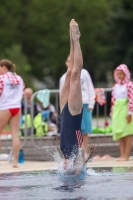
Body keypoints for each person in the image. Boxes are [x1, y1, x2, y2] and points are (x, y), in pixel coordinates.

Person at [60, 19, 94, 175]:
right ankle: (76, 39)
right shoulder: (77, 150)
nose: (65, 164)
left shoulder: (66, 154)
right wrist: (79, 166)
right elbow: (80, 169)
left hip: (63, 112)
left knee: (69, 74)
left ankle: (71, 38)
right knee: (75, 74)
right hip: (73, 114)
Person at [59, 52, 95, 161]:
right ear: (66, 62)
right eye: (70, 61)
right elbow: (62, 93)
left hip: (83, 102)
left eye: (73, 61)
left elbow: (90, 87)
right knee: (72, 131)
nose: (72, 63)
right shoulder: (63, 78)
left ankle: (83, 153)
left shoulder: (84, 73)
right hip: (69, 105)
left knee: (84, 131)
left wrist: (91, 102)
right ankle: (71, 157)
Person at [0, 59, 24, 167]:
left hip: (5, 107)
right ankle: (15, 161)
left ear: (4, 67)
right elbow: (22, 92)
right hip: (17, 107)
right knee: (15, 135)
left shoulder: (2, 78)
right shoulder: (19, 78)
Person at [111, 64, 133, 161]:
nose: (119, 75)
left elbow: (131, 99)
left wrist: (130, 113)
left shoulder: (129, 85)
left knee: (127, 133)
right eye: (118, 74)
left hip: (125, 111)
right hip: (117, 112)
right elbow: (113, 100)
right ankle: (122, 154)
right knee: (120, 133)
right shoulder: (115, 86)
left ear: (126, 74)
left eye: (121, 74)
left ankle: (126, 155)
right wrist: (112, 113)